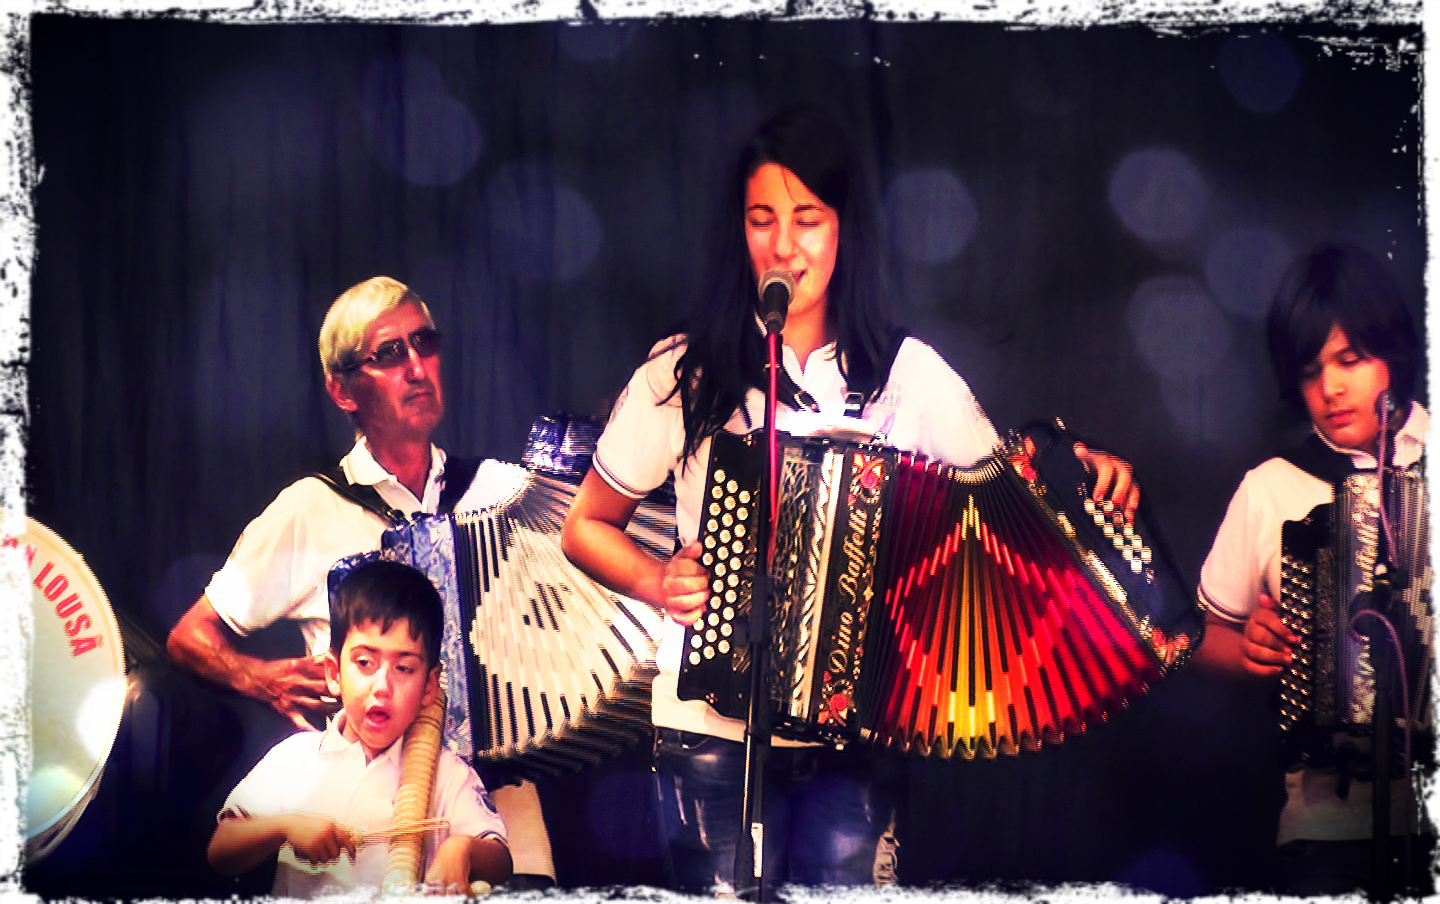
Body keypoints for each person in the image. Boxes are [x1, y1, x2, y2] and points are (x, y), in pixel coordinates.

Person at [560, 104, 1139, 894]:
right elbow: (585, 526)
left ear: (844, 231)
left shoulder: (908, 375)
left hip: (859, 740)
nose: (783, 245)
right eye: (761, 219)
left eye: (808, 220)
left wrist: (1078, 467)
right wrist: (657, 579)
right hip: (708, 734)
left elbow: (1008, 495)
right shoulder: (683, 371)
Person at [167, 275, 554, 887]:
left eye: (425, 344)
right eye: (390, 354)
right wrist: (261, 678)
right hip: (357, 790)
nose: (417, 368)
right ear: (342, 389)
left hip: (495, 798)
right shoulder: (309, 508)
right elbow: (189, 636)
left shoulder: (501, 492)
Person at [1192, 242, 1431, 895]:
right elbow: (1196, 638)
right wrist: (1245, 649)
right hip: (1327, 832)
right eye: (1310, 371)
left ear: (1393, 351)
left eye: (1350, 360)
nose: (1330, 389)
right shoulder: (1272, 488)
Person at [207, 559, 513, 896]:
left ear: (429, 686)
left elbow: (500, 862)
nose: (382, 686)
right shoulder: (296, 756)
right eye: (365, 663)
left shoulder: (448, 773)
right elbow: (220, 850)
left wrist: (462, 849)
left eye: (404, 668)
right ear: (334, 673)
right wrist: (284, 827)